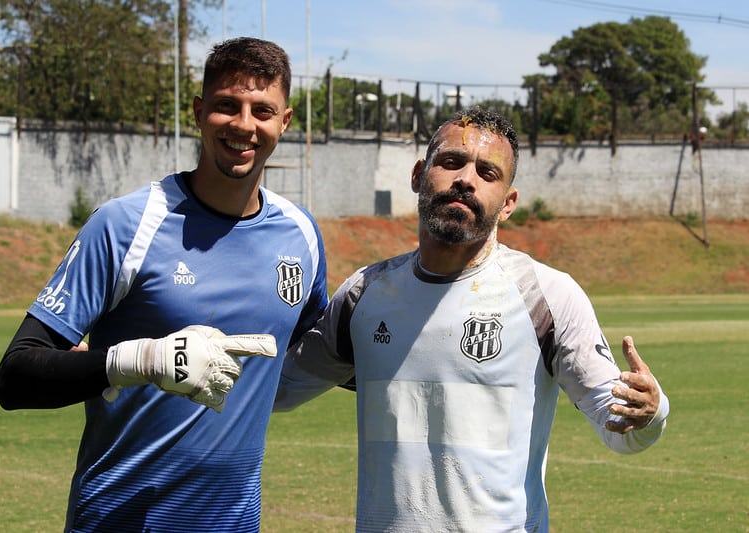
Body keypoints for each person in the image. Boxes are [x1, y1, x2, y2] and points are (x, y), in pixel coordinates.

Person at [275, 105, 669, 532]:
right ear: (418, 175)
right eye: (451, 162)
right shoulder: (364, 294)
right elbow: (278, 391)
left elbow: (621, 428)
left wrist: (651, 411)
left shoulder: (547, 296)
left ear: (508, 204)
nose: (465, 179)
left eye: (487, 172)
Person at [0, 37, 328, 532]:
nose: (243, 125)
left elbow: (320, 350)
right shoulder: (125, 225)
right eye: (226, 105)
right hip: (116, 522)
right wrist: (140, 360)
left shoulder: (301, 235)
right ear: (197, 112)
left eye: (262, 110)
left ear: (285, 121)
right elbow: (14, 377)